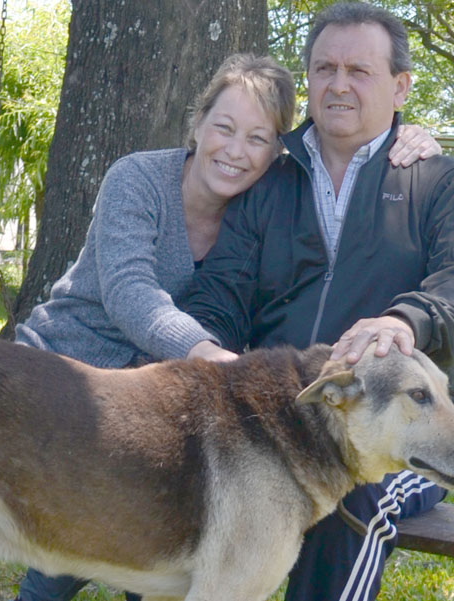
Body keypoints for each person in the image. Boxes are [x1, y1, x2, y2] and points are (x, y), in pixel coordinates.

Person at [0, 52, 440, 601]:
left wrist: (404, 134)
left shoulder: (256, 209)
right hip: (61, 375)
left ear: (278, 151)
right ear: (198, 124)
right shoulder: (139, 179)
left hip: (150, 411)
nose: (236, 151)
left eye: (259, 138)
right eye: (224, 128)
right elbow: (129, 292)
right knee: (55, 549)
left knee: (147, 538)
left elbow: (342, 135)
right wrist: (206, 353)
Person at [181, 3, 454, 601]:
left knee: (350, 495)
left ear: (400, 85)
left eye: (359, 70)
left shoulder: (435, 180)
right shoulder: (270, 182)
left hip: (397, 431)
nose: (338, 84)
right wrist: (198, 354)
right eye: (324, 67)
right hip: (281, 409)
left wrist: (402, 319)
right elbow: (222, 292)